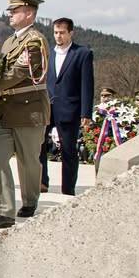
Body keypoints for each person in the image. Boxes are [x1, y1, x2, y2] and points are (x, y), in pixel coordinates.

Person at [0, 0, 51, 230]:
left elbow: (17, 74)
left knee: (28, 161)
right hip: (5, 110)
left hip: (29, 110)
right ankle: (4, 212)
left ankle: (30, 201)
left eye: (15, 10)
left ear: (29, 13)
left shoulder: (35, 41)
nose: (10, 14)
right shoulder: (9, 42)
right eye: (10, 10)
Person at [40, 17, 94, 196]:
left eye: (62, 32)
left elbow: (87, 84)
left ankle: (68, 189)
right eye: (56, 32)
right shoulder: (48, 53)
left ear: (71, 33)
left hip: (69, 108)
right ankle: (42, 181)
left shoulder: (82, 53)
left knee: (69, 150)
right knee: (38, 144)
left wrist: (86, 112)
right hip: (47, 106)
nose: (58, 36)